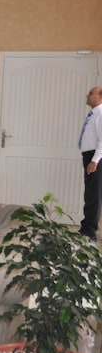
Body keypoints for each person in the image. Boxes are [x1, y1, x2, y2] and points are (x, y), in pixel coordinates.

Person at [79, 85, 102, 238]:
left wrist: (94, 161)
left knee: (93, 195)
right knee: (90, 193)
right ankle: (86, 228)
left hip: (95, 157)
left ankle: (89, 234)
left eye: (91, 93)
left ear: (100, 97)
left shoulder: (100, 113)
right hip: (90, 156)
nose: (87, 95)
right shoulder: (95, 113)